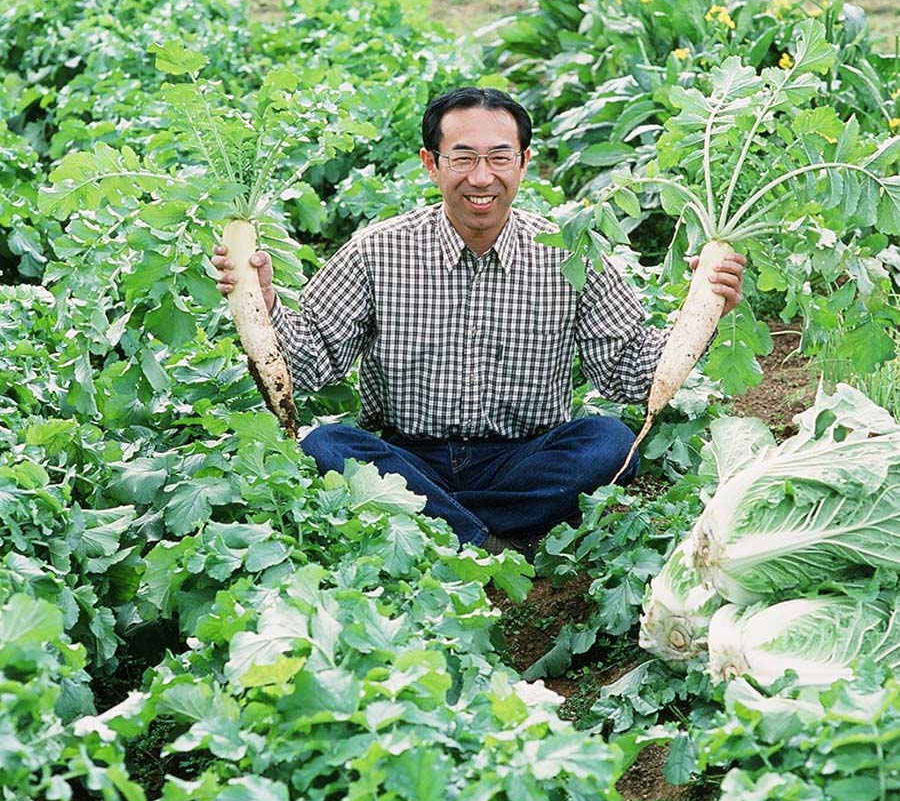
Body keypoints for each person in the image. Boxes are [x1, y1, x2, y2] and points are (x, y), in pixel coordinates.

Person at [213, 87, 745, 560]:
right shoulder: (378, 251)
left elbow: (629, 374)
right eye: (462, 158)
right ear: (430, 163)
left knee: (607, 442)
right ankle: (495, 539)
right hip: (408, 454)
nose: (481, 177)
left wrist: (700, 313)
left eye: (498, 158)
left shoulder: (568, 254)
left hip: (523, 459)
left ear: (525, 162)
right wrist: (264, 307)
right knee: (327, 445)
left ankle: (436, 525)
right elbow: (310, 366)